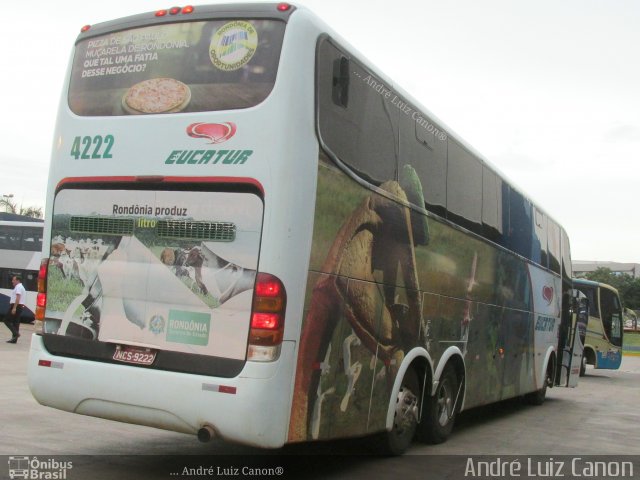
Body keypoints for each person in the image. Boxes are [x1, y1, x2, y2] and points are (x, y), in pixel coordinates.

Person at [4, 275, 26, 343]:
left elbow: (18, 298)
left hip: (16, 306)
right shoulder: (20, 286)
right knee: (15, 323)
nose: (12, 281)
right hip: (19, 306)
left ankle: (16, 334)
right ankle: (14, 339)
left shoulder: (18, 287)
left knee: (6, 320)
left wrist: (14, 308)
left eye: (13, 280)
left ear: (18, 280)